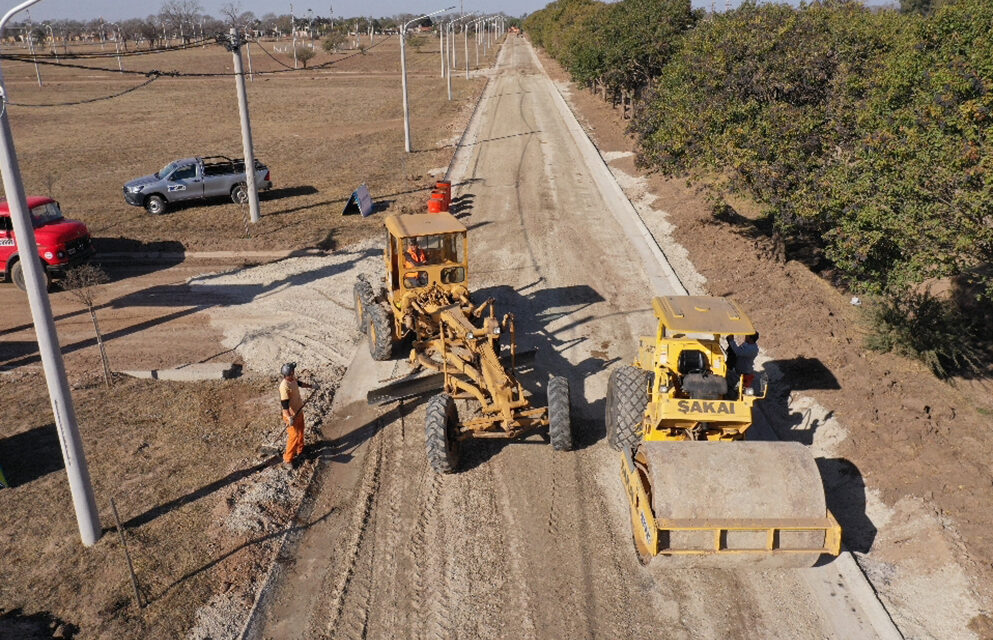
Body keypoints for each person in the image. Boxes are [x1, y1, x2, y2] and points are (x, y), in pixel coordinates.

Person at [278, 362, 313, 470]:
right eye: (293, 370)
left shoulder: (292, 380)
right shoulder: (284, 386)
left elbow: (300, 384)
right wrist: (289, 417)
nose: (294, 371)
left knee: (301, 431)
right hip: (291, 416)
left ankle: (300, 450)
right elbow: (284, 405)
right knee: (293, 436)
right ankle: (287, 459)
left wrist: (312, 386)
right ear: (291, 372)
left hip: (299, 411)